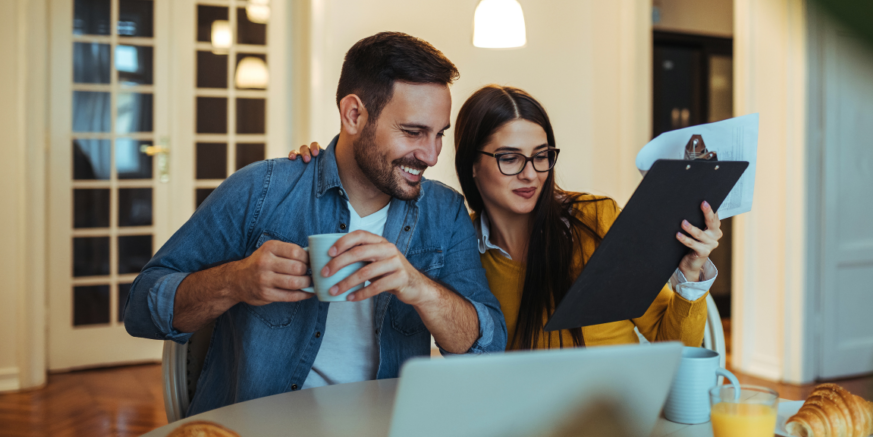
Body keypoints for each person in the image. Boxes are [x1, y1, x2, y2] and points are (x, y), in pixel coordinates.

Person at [124, 32, 507, 416]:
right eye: (412, 132)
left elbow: (488, 345)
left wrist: (417, 286)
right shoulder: (262, 191)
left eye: (439, 134)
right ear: (353, 114)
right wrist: (236, 281)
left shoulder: (444, 212)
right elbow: (143, 307)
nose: (431, 154)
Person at [291, 85, 719, 350]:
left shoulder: (595, 219)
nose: (530, 174)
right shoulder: (458, 248)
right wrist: (323, 161)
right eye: (510, 158)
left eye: (541, 157)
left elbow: (673, 343)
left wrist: (690, 277)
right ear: (472, 165)